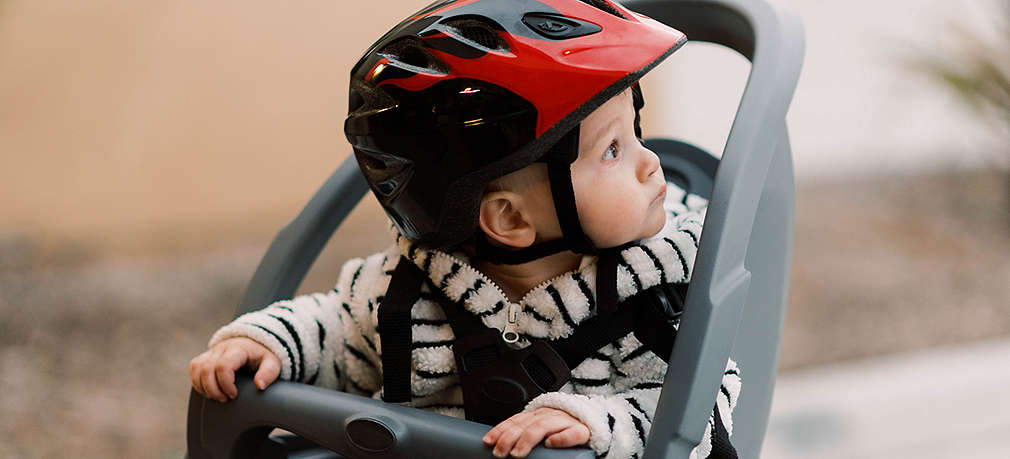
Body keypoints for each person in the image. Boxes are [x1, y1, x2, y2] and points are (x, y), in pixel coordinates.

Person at [188, 0, 740, 457]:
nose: (651, 163)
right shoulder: (404, 291)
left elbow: (698, 409)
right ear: (510, 219)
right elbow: (338, 333)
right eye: (614, 150)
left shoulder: (653, 295)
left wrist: (595, 425)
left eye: (636, 132)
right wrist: (272, 345)